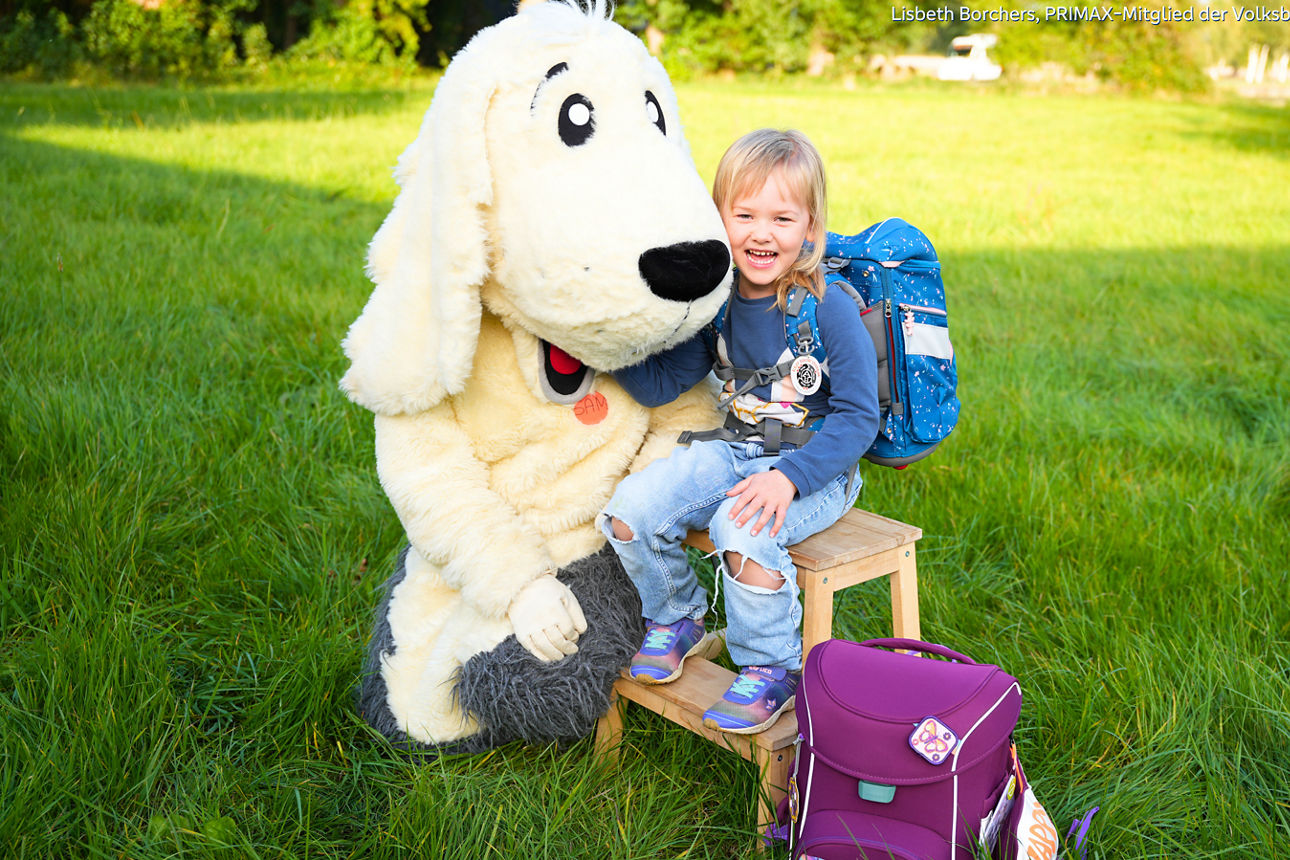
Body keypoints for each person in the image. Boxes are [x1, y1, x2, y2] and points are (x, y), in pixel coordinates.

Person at [599, 128, 880, 733]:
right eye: (744, 214)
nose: (761, 232)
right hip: (736, 450)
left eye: (782, 217)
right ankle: (677, 615)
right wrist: (604, 347)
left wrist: (789, 480)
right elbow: (665, 381)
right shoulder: (719, 301)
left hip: (815, 468)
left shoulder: (828, 304)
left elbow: (860, 416)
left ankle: (772, 666)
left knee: (739, 526)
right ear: (718, 218)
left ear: (810, 227)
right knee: (629, 511)